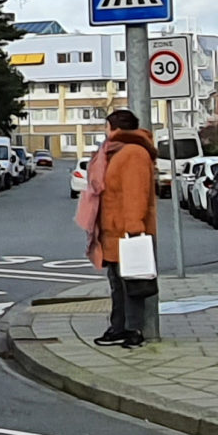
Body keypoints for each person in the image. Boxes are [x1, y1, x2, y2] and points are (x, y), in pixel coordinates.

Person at [78, 108, 157, 348]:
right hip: (114, 232)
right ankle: (119, 327)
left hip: (127, 232)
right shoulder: (115, 153)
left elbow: (136, 193)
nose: (105, 132)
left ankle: (132, 330)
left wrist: (134, 228)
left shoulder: (132, 153)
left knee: (131, 283)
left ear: (116, 128)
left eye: (106, 127)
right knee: (118, 284)